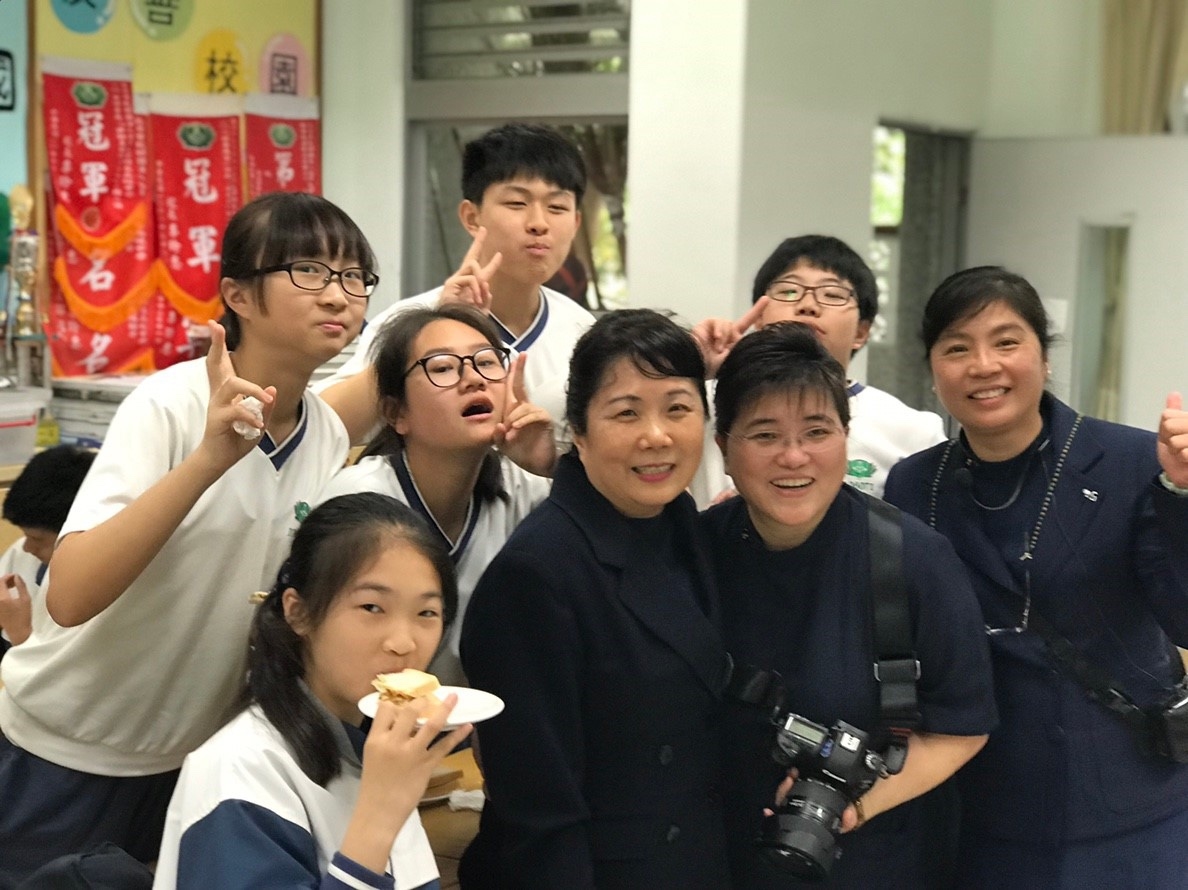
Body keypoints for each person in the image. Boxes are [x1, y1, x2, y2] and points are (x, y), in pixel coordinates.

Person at [0, 192, 374, 882]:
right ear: (239, 295)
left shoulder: (323, 432)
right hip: (67, 747)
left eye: (354, 276)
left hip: (194, 760)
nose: (338, 295)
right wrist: (208, 459)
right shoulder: (169, 405)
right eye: (310, 271)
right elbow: (70, 595)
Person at [883, 266, 1188, 888]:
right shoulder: (915, 484)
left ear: (1044, 358)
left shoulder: (1132, 461)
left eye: (1006, 342)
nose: (983, 365)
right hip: (983, 810)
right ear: (934, 369)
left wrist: (1182, 497)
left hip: (1128, 805)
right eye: (957, 348)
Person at [704, 322, 995, 888]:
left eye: (817, 431)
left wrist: (853, 805)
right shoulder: (695, 553)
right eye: (764, 434)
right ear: (724, 449)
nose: (794, 456)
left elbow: (963, 727)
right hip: (721, 861)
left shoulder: (915, 561)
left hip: (874, 862)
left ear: (845, 436)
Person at [458, 310, 732, 888]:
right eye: (626, 412)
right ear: (578, 432)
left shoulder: (686, 525)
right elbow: (539, 812)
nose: (656, 435)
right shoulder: (536, 575)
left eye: (677, 408)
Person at [153, 493, 472, 889]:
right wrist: (379, 817)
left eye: (427, 613)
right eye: (372, 607)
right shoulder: (238, 771)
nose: (403, 643)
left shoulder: (373, 748)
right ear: (298, 612)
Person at [317, 304, 554, 687]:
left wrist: (551, 466)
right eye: (443, 368)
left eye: (487, 362)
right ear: (396, 413)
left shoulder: (526, 486)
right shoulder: (359, 499)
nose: (474, 379)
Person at [319, 122, 595, 449]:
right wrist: (424, 337)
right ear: (471, 218)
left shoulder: (583, 332)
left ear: (576, 222)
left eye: (557, 207)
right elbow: (323, 431)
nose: (539, 224)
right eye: (516, 203)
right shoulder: (410, 320)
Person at [692, 235, 945, 504]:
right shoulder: (699, 406)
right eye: (789, 291)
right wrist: (692, 365)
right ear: (759, 318)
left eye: (832, 295)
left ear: (861, 331)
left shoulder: (911, 430)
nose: (808, 306)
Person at [0, 444, 96, 658]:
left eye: (37, 539)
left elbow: (53, 673)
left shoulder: (101, 591)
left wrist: (20, 631)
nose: (27, 547)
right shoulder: (22, 554)